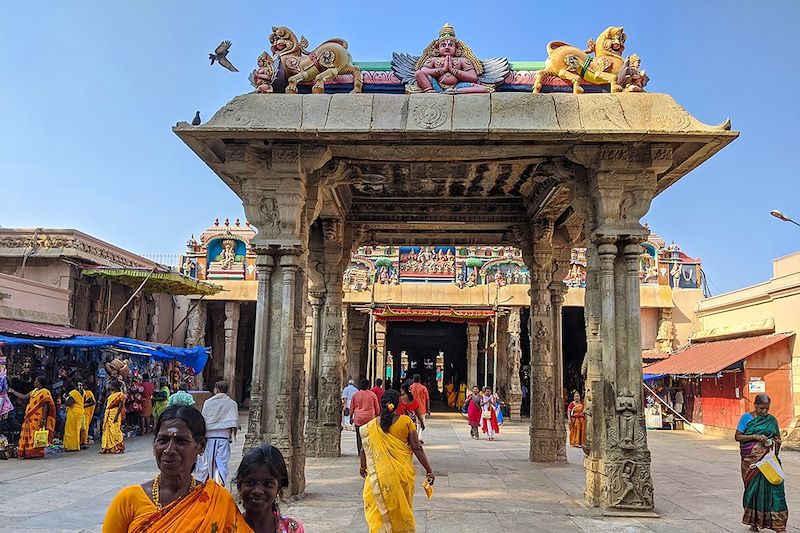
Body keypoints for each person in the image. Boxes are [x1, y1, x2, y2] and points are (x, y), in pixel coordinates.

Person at [102, 405, 249, 532]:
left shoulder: (218, 501)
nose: (169, 450)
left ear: (201, 446)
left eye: (181, 441)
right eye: (163, 440)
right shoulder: (128, 500)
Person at [359, 389, 435, 533]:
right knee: (401, 511)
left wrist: (363, 467)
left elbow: (364, 449)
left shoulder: (371, 425)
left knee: (378, 515)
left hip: (377, 477)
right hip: (401, 476)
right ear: (398, 403)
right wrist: (429, 470)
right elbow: (417, 448)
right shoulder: (406, 421)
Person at [735, 393, 788, 532]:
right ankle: (754, 522)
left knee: (776, 490)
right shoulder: (746, 418)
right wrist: (755, 437)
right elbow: (738, 436)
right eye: (761, 408)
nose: (764, 412)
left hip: (769, 461)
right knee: (753, 491)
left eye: (767, 408)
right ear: (755, 405)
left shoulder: (772, 420)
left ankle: (779, 525)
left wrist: (772, 443)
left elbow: (778, 439)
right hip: (751, 463)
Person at [235, 443, 304, 533]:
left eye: (268, 483)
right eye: (250, 482)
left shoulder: (292, 529)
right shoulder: (226, 527)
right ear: (240, 484)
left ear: (279, 487)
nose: (257, 491)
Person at [196, 380, 239, 485]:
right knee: (221, 463)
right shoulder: (232, 404)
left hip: (209, 437)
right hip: (223, 437)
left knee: (205, 464)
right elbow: (234, 421)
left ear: (216, 389)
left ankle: (203, 486)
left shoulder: (208, 402)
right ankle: (219, 486)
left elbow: (204, 419)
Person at [7, 376, 55, 459]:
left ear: (40, 382)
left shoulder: (45, 392)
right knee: (27, 435)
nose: (34, 382)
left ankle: (36, 453)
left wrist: (43, 418)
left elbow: (46, 405)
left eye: (36, 381)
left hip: (37, 417)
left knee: (34, 435)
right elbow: (24, 397)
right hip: (29, 417)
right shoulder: (34, 391)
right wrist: (13, 391)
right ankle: (27, 452)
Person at [350, 379, 380, 454]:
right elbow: (376, 407)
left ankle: (360, 451)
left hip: (358, 418)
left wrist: (351, 417)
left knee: (359, 435)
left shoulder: (355, 395)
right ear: (368, 385)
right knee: (369, 435)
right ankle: (368, 451)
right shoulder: (372, 395)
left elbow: (352, 407)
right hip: (369, 418)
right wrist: (377, 414)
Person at [101, 380, 126, 454]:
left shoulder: (121, 395)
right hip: (109, 413)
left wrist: (116, 417)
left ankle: (118, 447)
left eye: (111, 385)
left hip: (115, 414)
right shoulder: (112, 394)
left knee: (115, 431)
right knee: (107, 430)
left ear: (115, 387)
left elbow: (120, 406)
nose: (110, 386)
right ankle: (109, 448)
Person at [63, 380, 86, 451]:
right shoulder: (84, 392)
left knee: (71, 430)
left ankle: (72, 446)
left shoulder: (73, 393)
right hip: (81, 412)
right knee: (78, 430)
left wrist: (65, 398)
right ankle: (79, 444)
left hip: (73, 413)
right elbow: (83, 401)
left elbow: (69, 403)